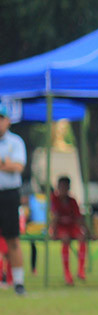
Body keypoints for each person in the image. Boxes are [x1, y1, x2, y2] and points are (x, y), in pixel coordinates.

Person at [0, 102, 27, 295]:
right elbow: (9, 165)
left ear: (8, 121)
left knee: (13, 239)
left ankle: (18, 282)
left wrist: (4, 164)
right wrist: (5, 163)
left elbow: (18, 167)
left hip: (9, 194)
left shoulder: (15, 142)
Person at [50, 176, 88, 285]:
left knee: (82, 237)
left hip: (72, 226)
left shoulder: (72, 201)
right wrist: (53, 230)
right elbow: (55, 217)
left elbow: (78, 218)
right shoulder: (54, 199)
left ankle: (81, 269)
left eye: (65, 186)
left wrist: (88, 231)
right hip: (61, 227)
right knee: (65, 239)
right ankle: (67, 272)